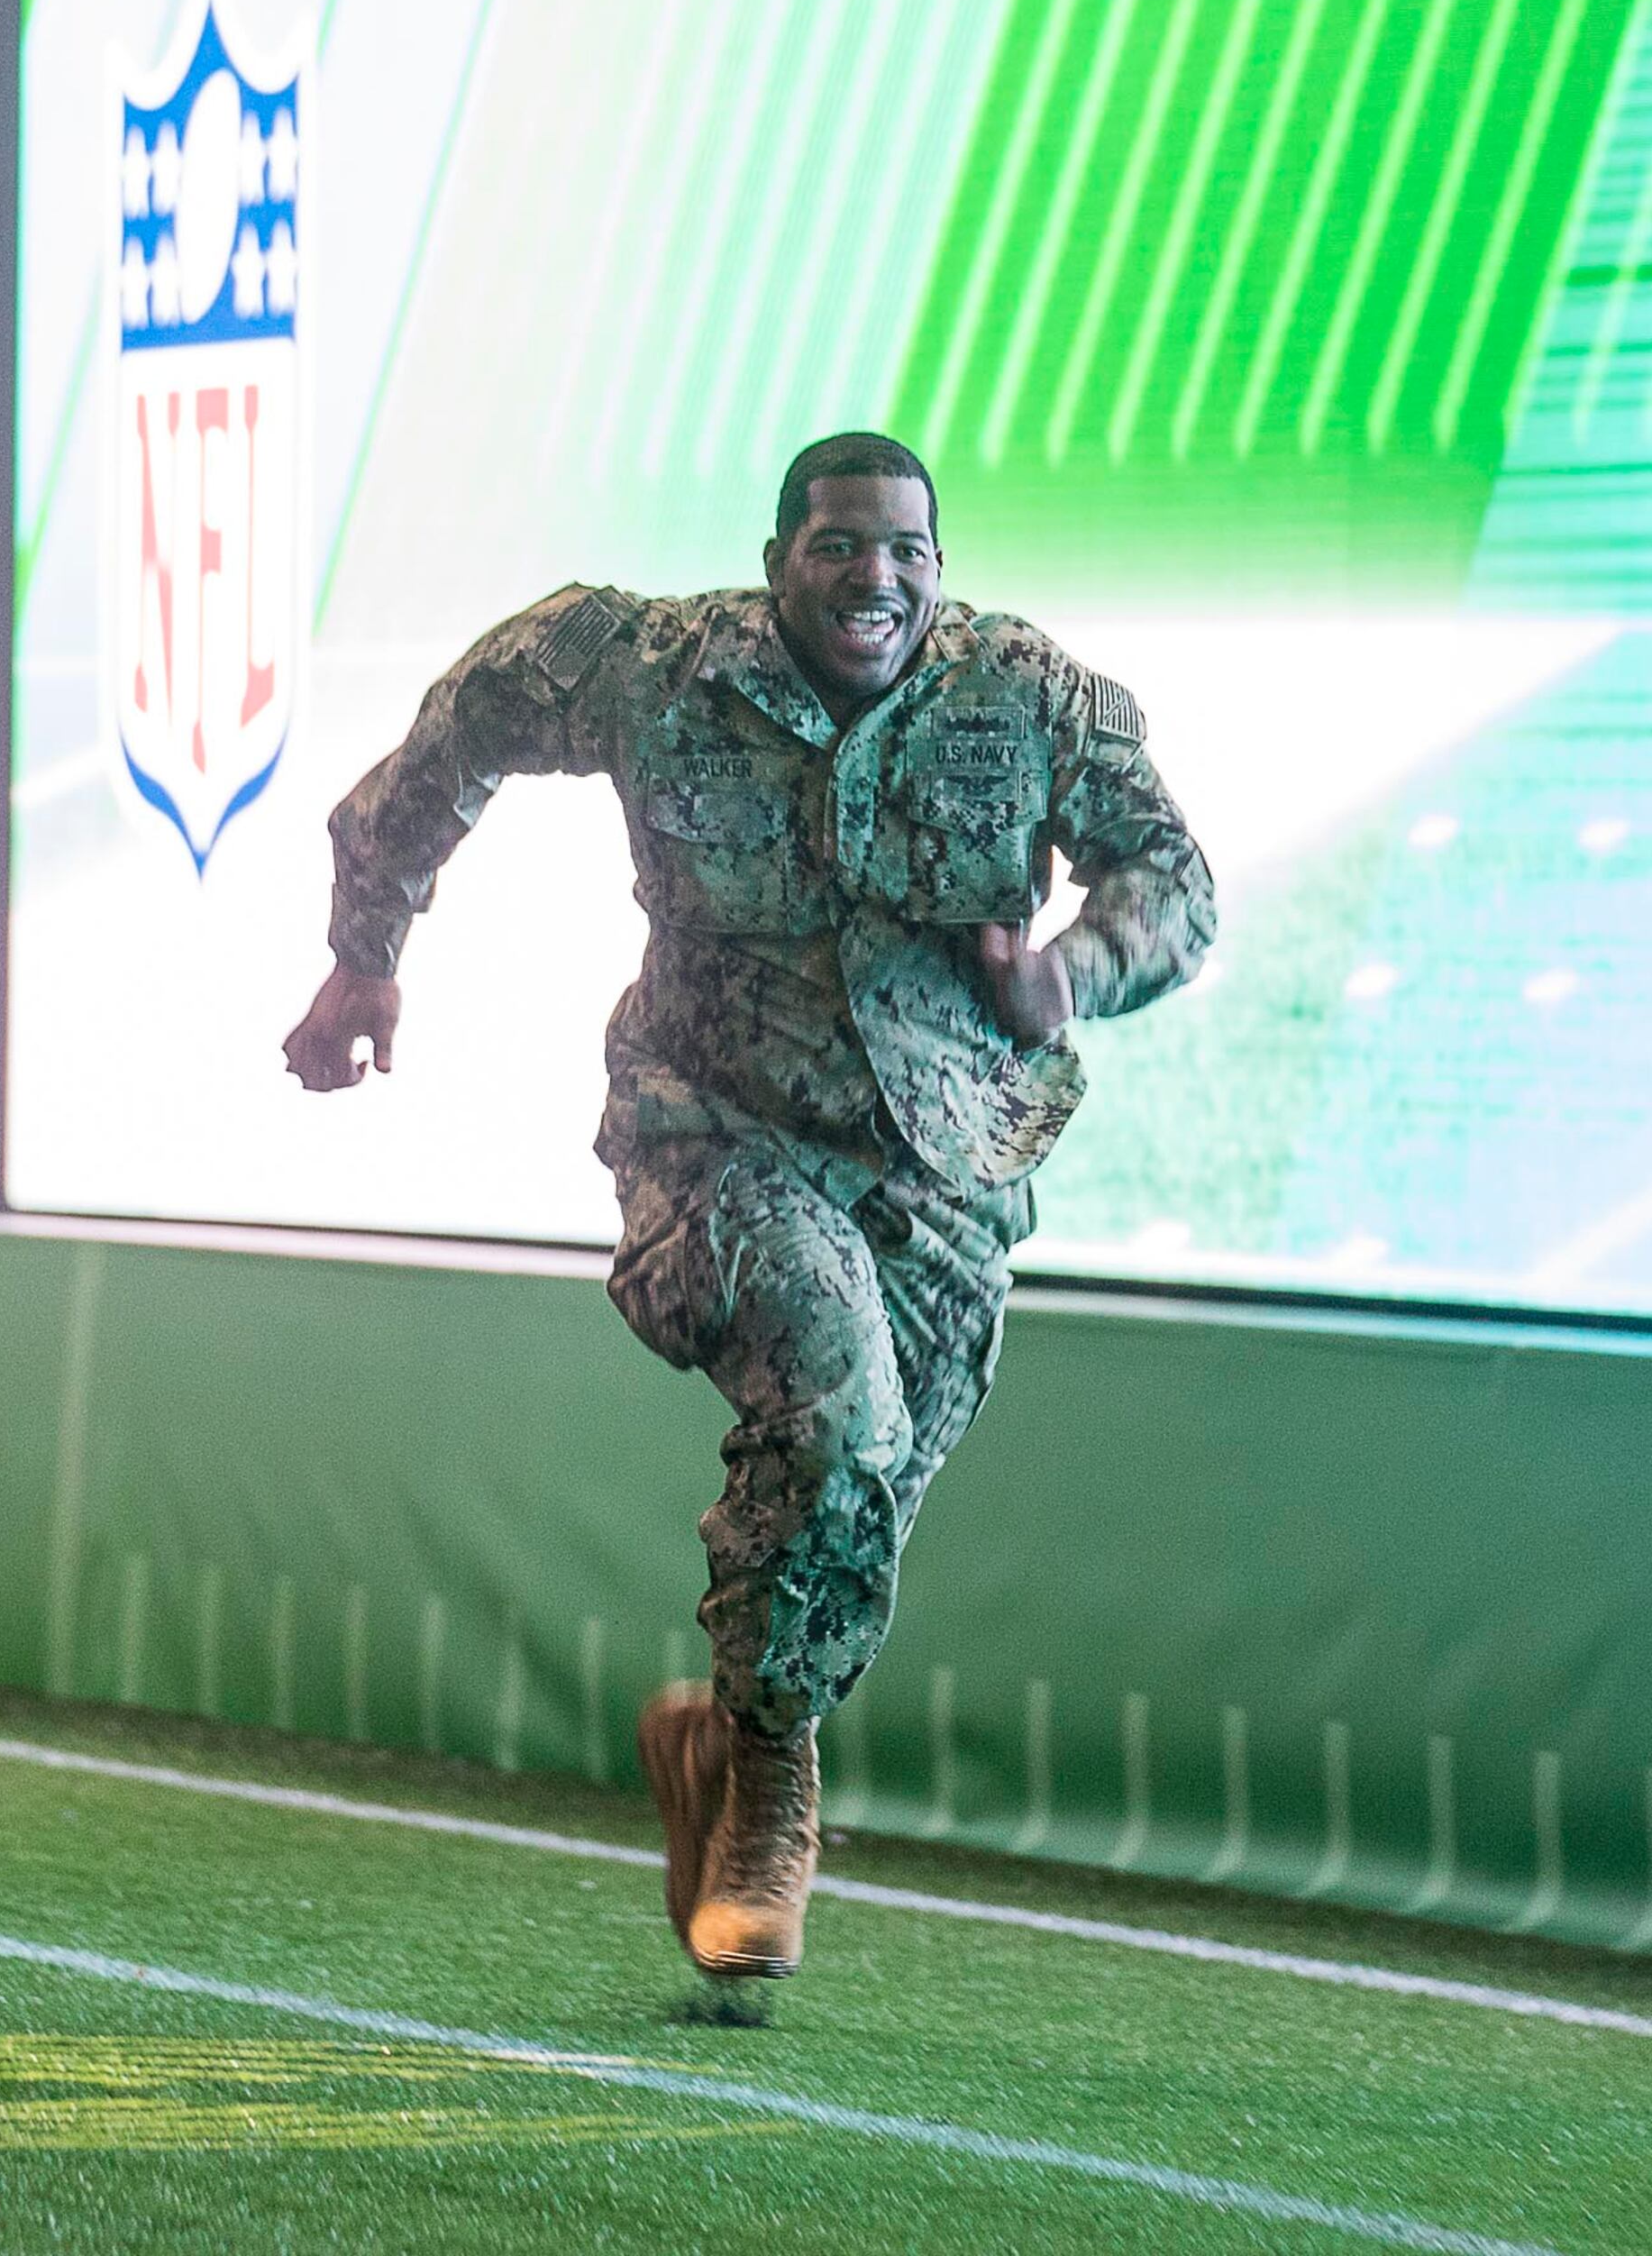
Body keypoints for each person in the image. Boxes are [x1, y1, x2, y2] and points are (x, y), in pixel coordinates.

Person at [282, 433, 1212, 1978]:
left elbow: (1174, 878)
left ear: (941, 566)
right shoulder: (653, 666)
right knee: (838, 1408)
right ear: (781, 556)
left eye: (909, 551)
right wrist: (366, 950)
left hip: (943, 1166)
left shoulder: (1029, 696)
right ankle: (776, 1801)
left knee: (852, 1507)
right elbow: (458, 734)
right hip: (714, 1134)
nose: (878, 578)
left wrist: (1076, 970)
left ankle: (722, 1733)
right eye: (841, 546)